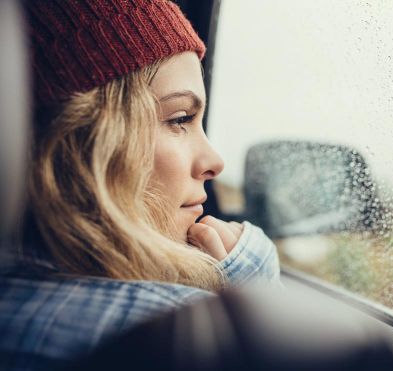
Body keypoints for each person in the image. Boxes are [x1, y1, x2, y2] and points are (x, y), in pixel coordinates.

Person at [0, 1, 280, 370]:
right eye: (180, 118)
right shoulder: (164, 333)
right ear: (81, 141)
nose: (215, 162)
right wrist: (248, 289)